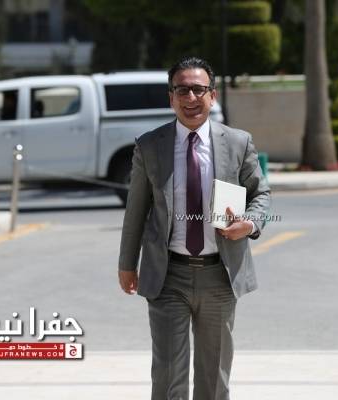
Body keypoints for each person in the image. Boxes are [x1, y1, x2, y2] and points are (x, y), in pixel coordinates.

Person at [118, 56, 271, 400]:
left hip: (220, 274)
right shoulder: (150, 145)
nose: (190, 98)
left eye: (198, 90)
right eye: (182, 90)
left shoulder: (238, 142)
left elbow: (260, 193)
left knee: (213, 378)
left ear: (212, 95)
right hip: (168, 274)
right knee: (167, 374)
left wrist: (249, 223)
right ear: (170, 97)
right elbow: (136, 210)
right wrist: (127, 263)